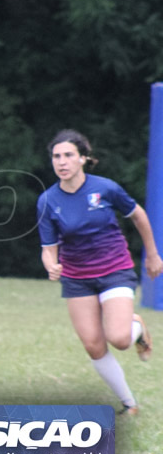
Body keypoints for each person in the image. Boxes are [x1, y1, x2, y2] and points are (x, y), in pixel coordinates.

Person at [37, 129, 161, 416]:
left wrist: (152, 253)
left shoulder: (105, 188)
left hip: (114, 269)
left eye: (68, 155)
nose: (62, 162)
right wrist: (50, 265)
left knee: (118, 339)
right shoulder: (47, 201)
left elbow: (138, 215)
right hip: (78, 279)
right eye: (56, 156)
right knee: (93, 345)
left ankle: (137, 327)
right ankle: (129, 403)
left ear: (83, 158)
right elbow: (48, 247)